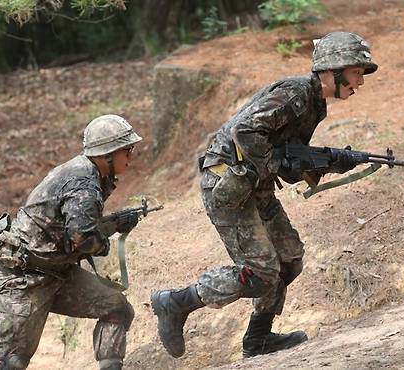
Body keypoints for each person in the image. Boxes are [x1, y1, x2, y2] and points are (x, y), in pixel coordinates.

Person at [150, 31, 378, 359]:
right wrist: (281, 163)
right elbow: (245, 132)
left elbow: (286, 153)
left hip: (253, 184)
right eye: (357, 72)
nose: (360, 81)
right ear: (333, 69)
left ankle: (258, 339)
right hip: (227, 183)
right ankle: (175, 302)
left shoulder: (315, 104)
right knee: (260, 273)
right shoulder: (297, 93)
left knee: (289, 259)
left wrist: (331, 162)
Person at [0, 114, 142, 370]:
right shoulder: (83, 183)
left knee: (116, 308)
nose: (130, 156)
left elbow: (70, 229)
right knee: (11, 361)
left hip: (57, 273)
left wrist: (114, 223)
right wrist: (107, 242)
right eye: (127, 150)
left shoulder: (90, 174)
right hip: (25, 280)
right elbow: (83, 238)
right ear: (107, 155)